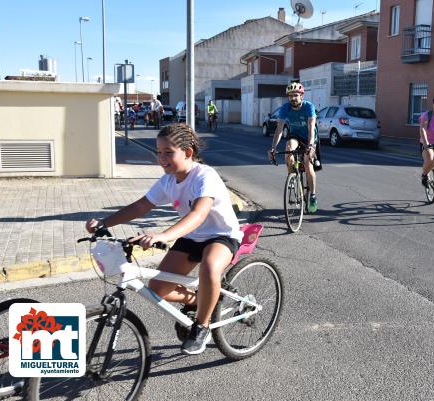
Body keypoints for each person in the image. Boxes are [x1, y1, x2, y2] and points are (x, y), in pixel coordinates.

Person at [85, 124, 243, 355]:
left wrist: (163, 236)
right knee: (157, 288)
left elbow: (198, 214)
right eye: (158, 152)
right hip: (190, 237)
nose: (162, 158)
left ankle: (202, 326)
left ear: (188, 153)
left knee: (209, 268)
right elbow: (141, 206)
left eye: (168, 152)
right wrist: (104, 223)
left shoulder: (204, 176)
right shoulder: (168, 181)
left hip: (221, 235)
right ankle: (200, 300)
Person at [268, 81, 319, 213]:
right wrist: (273, 148)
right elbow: (279, 130)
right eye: (290, 96)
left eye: (295, 95)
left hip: (309, 137)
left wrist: (310, 146)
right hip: (295, 135)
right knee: (289, 147)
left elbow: (311, 128)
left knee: (308, 164)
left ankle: (312, 195)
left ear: (301, 96)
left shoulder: (309, 107)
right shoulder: (285, 108)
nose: (292, 98)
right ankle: (292, 176)